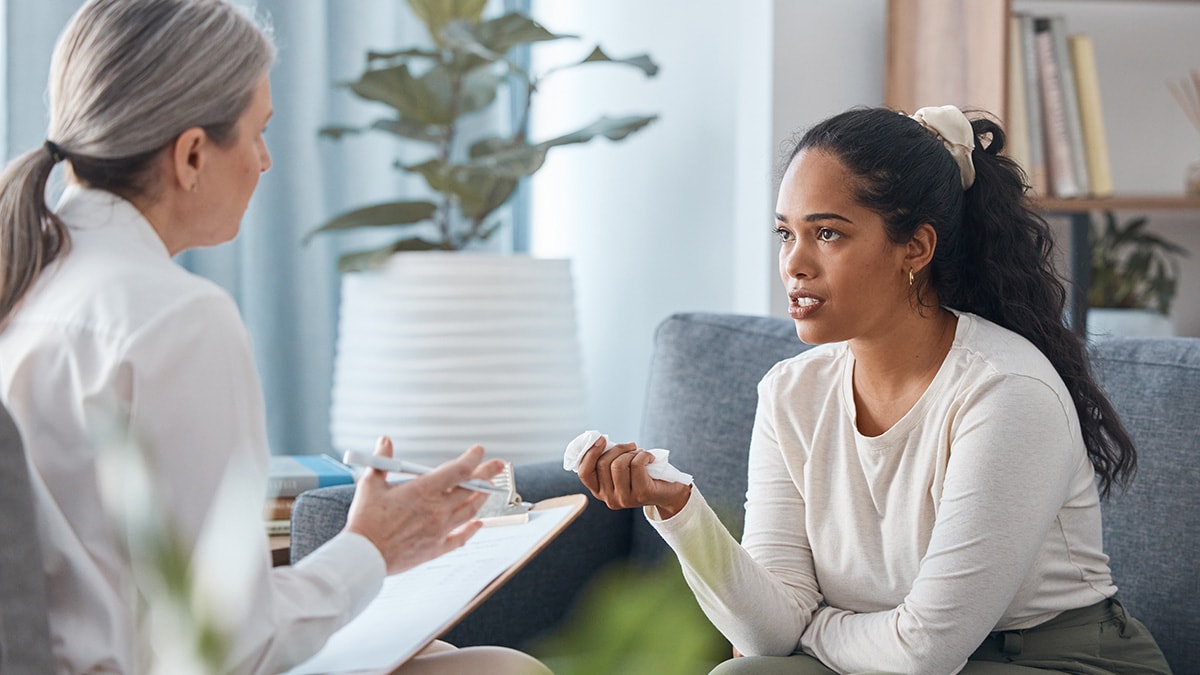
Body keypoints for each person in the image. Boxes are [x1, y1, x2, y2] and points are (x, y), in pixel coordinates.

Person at [0, 1, 549, 673]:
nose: (264, 161)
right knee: (501, 669)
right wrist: (371, 547)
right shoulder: (176, 318)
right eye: (258, 133)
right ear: (193, 153)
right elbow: (228, 645)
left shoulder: (27, 281)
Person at [576, 105, 1172, 674]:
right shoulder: (791, 392)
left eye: (828, 234)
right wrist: (678, 510)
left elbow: (923, 653)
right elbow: (764, 639)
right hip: (879, 660)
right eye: (785, 233)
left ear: (915, 247)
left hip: (1052, 661)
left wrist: (811, 634)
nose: (794, 264)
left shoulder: (1004, 391)